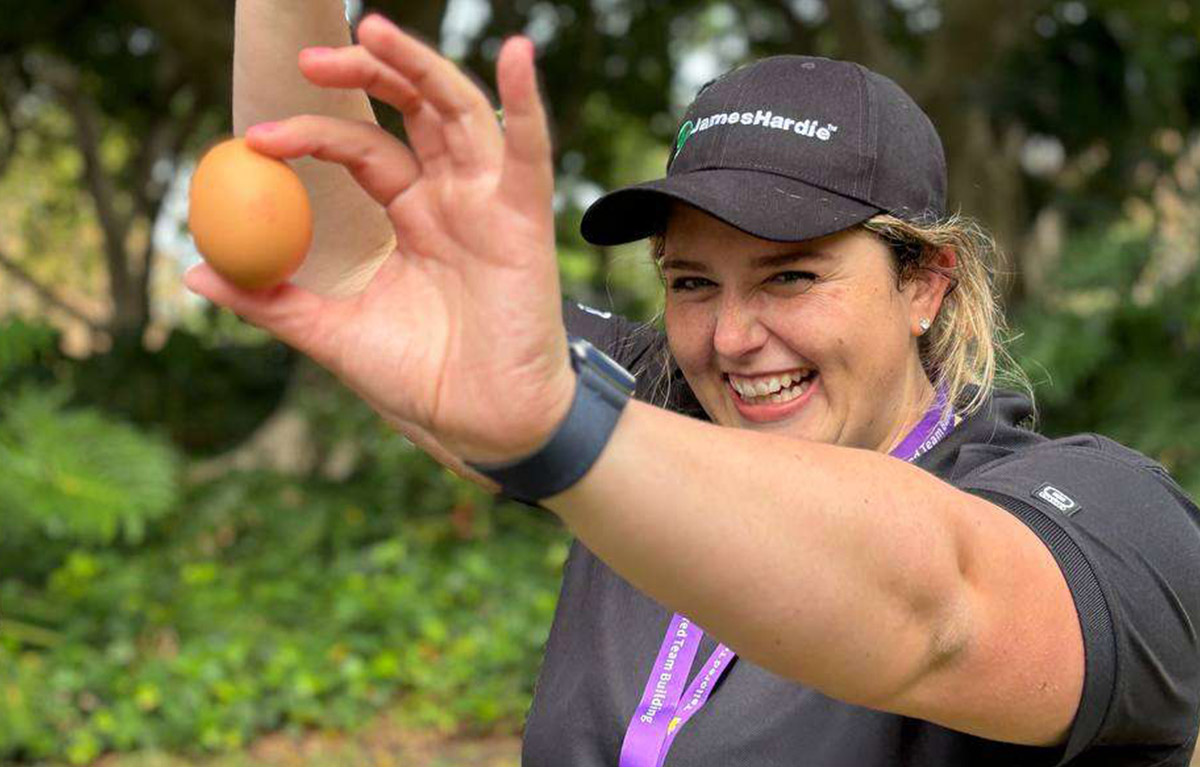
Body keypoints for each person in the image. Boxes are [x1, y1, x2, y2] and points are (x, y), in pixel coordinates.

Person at [188, 5, 1200, 765]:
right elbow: (335, 248)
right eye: (689, 281)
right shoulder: (655, 401)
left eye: (791, 274)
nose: (729, 337)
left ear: (925, 284)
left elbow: (940, 608)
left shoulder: (1118, 522)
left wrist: (563, 427)